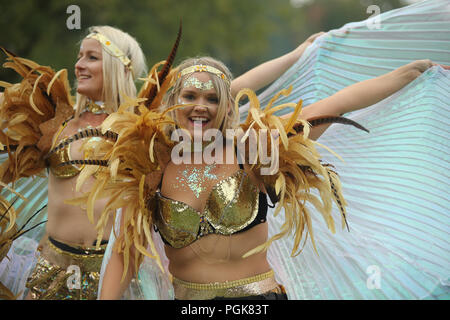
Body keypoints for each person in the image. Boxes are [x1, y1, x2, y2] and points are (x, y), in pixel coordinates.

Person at [74, 49, 437, 300]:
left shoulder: (253, 151)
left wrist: (412, 72)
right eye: (190, 96)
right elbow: (124, 251)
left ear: (227, 107)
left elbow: (335, 105)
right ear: (173, 104)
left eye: (212, 99)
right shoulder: (150, 168)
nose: (201, 106)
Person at [0, 25, 147, 300]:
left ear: (119, 67)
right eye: (79, 57)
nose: (79, 65)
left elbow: (219, 93)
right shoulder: (55, 122)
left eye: (92, 57)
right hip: (48, 276)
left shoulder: (141, 131)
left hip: (112, 280)